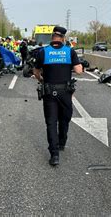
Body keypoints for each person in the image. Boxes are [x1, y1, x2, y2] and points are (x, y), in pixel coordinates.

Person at [33, 26, 83, 166]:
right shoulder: (69, 51)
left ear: (52, 38)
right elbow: (79, 71)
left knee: (51, 122)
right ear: (63, 38)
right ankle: (62, 142)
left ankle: (54, 155)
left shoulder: (43, 52)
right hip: (65, 93)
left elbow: (36, 71)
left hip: (49, 92)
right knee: (64, 119)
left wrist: (42, 80)